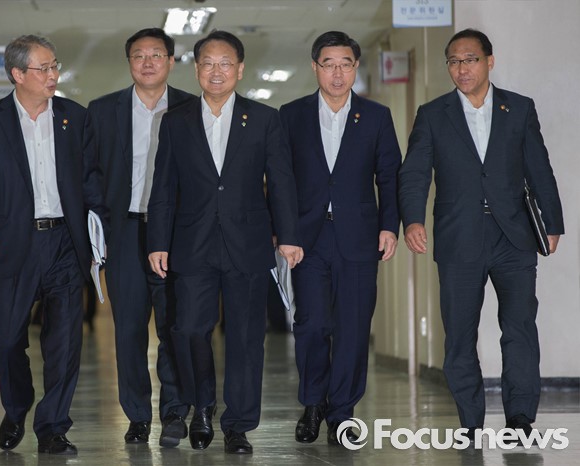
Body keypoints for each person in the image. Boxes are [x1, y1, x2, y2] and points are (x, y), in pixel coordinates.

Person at [398, 28, 564, 440]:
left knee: (520, 328)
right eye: (454, 61)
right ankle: (470, 422)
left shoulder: (519, 108)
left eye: (470, 59)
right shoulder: (433, 114)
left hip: (514, 236)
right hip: (458, 238)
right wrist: (413, 220)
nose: (462, 69)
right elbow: (415, 173)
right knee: (459, 336)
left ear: (489, 61)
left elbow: (539, 168)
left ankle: (520, 418)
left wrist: (553, 222)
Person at [147, 30, 302, 455]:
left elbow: (281, 182)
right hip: (191, 243)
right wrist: (158, 241)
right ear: (196, 69)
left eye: (225, 63)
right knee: (188, 329)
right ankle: (201, 406)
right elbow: (163, 187)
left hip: (247, 243)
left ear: (240, 69)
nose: (216, 72)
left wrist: (289, 237)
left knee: (246, 337)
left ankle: (238, 425)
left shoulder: (265, 119)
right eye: (208, 64)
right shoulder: (175, 120)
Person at [0, 34, 107, 455]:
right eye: (43, 68)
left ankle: (53, 427)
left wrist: (98, 229)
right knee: (9, 339)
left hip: (64, 242)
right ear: (18, 74)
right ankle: (17, 405)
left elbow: (91, 180)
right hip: (12, 244)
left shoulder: (74, 117)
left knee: (64, 343)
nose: (52, 75)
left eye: (55, 66)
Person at [279, 31, 401, 446]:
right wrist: (285, 232)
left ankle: (342, 411)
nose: (337, 73)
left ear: (355, 68)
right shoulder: (291, 115)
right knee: (312, 323)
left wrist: (389, 226)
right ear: (315, 67)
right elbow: (281, 179)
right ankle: (313, 403)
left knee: (353, 327)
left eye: (345, 64)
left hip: (359, 238)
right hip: (308, 239)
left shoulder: (376, 116)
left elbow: (389, 176)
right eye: (328, 64)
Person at [83, 27, 194, 447]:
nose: (147, 63)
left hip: (177, 234)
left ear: (170, 61)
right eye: (139, 56)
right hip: (125, 232)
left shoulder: (192, 108)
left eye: (156, 55)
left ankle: (174, 412)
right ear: (129, 62)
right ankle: (137, 416)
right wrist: (103, 225)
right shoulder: (102, 110)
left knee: (173, 326)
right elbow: (89, 173)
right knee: (128, 329)